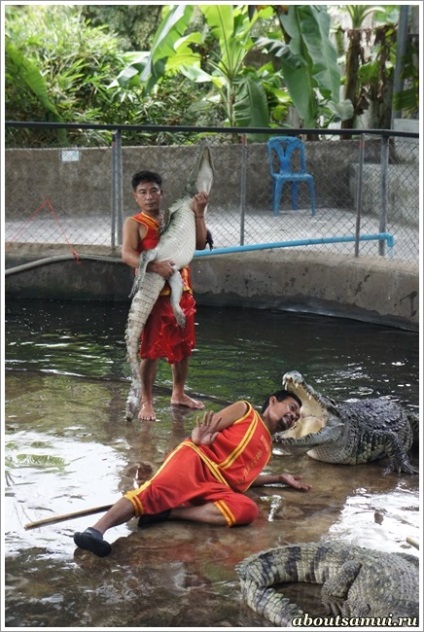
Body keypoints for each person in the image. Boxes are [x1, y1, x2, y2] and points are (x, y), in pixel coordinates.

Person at [73, 389, 311, 557]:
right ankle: (95, 531)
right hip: (197, 460)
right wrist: (198, 438)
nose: (293, 417)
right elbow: (207, 429)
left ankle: (171, 513)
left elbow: (244, 480)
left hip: (217, 488)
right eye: (291, 408)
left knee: (247, 510)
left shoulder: (268, 448)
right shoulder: (245, 410)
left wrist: (279, 479)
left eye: (297, 417)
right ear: (273, 401)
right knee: (153, 492)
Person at [121, 169, 210, 422]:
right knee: (151, 352)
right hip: (154, 297)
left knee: (182, 347)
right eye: (143, 192)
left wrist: (200, 212)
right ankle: (147, 402)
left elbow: (200, 243)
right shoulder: (134, 223)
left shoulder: (176, 216)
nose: (149, 197)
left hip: (182, 290)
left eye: (154, 191)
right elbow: (127, 255)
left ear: (162, 193)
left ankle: (178, 393)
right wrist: (152, 266)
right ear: (135, 197)